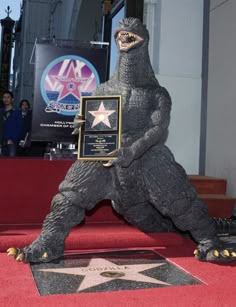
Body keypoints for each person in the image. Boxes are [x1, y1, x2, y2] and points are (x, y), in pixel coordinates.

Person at [1, 91, 22, 157]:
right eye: (4, 97)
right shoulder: (1, 111)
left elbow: (20, 127)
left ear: (12, 99)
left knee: (11, 163)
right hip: (1, 141)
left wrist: (12, 139)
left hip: (12, 142)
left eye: (8, 97)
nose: (6, 99)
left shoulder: (17, 112)